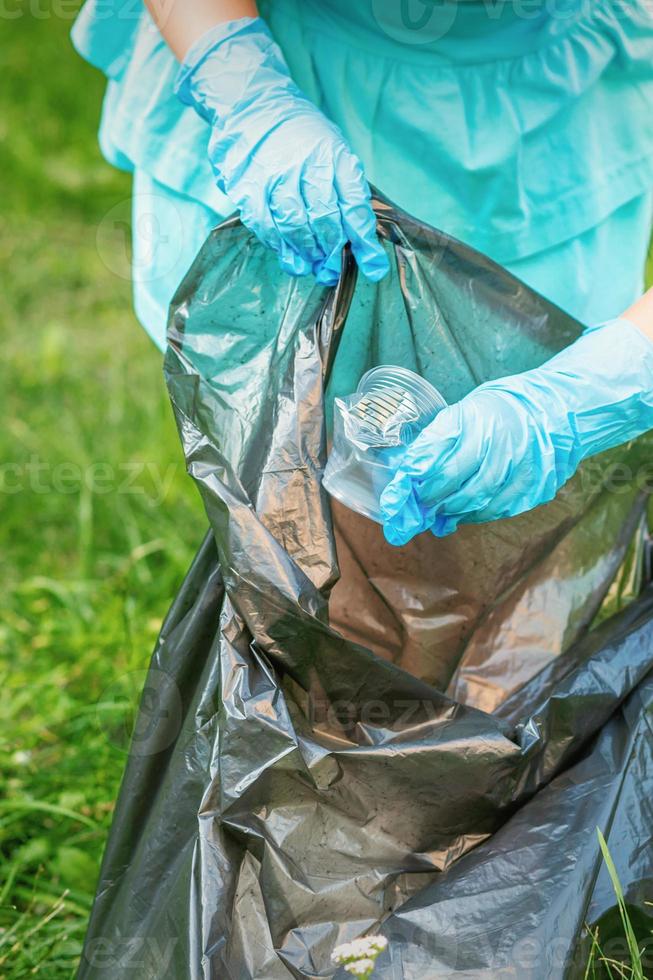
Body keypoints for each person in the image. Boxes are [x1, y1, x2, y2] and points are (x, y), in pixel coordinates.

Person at [72, 0, 653, 543]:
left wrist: (582, 397)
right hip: (286, 58)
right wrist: (249, 96)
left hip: (545, 106)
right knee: (302, 503)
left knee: (500, 532)